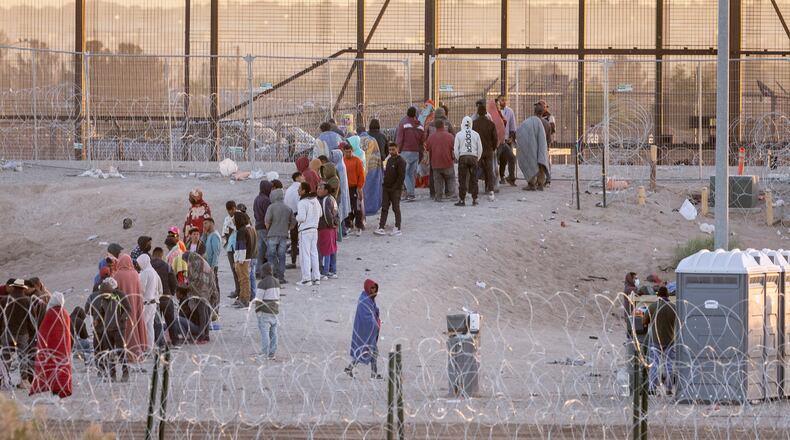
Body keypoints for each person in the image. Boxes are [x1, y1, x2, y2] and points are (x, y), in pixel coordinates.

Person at [86, 277, 131, 381]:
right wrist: (97, 320)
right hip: (108, 329)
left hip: (119, 329)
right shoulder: (103, 299)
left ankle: (125, 373)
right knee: (109, 353)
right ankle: (112, 374)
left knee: (120, 352)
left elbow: (128, 309)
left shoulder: (120, 295)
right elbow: (102, 311)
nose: (103, 297)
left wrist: (122, 319)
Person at [29, 291, 72, 398]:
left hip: (51, 349)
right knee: (61, 370)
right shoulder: (65, 313)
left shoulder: (50, 314)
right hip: (63, 349)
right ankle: (59, 392)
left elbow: (43, 332)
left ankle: (54, 393)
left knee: (51, 370)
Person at [1, 279, 38, 388]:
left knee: (6, 357)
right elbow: (32, 320)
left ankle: (4, 380)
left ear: (13, 287)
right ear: (23, 288)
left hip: (7, 333)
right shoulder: (27, 301)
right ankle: (23, 380)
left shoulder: (5, 300)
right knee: (23, 356)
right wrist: (32, 334)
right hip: (22, 333)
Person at [344, 279, 382, 379]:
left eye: (375, 288)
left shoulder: (369, 299)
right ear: (367, 288)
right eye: (372, 288)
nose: (374, 290)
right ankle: (372, 374)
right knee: (368, 351)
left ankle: (352, 369)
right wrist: (375, 324)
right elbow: (367, 317)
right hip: (365, 331)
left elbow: (373, 311)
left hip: (370, 331)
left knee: (370, 351)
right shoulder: (364, 300)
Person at [643, 286, 677, 395]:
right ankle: (669, 389)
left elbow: (644, 321)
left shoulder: (653, 306)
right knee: (669, 365)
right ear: (668, 295)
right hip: (670, 339)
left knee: (654, 365)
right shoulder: (673, 307)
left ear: (658, 295)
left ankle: (652, 388)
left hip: (655, 341)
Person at [115, 254, 147, 363]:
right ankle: (137, 352)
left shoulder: (117, 275)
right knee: (136, 327)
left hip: (123, 307)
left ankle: (127, 354)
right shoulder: (135, 274)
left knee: (126, 330)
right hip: (135, 304)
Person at [516, 102, 550, 191]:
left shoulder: (527, 122)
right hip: (542, 147)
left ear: (534, 111)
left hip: (531, 148)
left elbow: (520, 132)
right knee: (541, 163)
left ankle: (531, 184)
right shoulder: (546, 123)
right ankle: (541, 184)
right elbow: (548, 139)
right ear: (543, 112)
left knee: (531, 162)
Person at [183, 252, 217, 342]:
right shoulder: (200, 260)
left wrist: (187, 284)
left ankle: (202, 334)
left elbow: (192, 278)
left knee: (202, 311)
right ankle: (206, 334)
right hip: (207, 287)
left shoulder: (193, 262)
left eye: (186, 261)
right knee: (206, 310)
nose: (187, 263)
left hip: (202, 289)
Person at [265, 188, 296, 284]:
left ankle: (272, 275)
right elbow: (293, 222)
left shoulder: (271, 207)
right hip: (283, 234)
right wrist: (287, 228)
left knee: (271, 255)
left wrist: (269, 230)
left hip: (272, 234)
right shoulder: (288, 208)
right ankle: (281, 276)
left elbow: (267, 221)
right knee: (282, 256)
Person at [374, 143, 406, 236]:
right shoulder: (389, 160)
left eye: (393, 149)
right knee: (384, 208)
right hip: (386, 188)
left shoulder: (401, 161)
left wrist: (395, 188)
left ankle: (397, 227)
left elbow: (401, 177)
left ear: (397, 149)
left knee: (396, 208)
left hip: (395, 189)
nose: (391, 151)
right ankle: (381, 227)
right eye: (390, 150)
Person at [296, 182, 322, 286]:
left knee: (304, 255)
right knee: (314, 254)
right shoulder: (315, 200)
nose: (298, 190)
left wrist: (296, 217)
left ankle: (306, 279)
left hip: (305, 231)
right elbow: (320, 214)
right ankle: (316, 277)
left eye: (299, 188)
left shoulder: (302, 203)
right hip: (314, 229)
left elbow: (301, 218)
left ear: (304, 191)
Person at [395, 107, 424, 202]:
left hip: (405, 152)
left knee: (404, 173)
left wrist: (397, 150)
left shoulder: (403, 123)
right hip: (416, 152)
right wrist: (421, 153)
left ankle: (410, 193)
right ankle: (411, 194)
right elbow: (422, 141)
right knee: (411, 174)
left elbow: (400, 138)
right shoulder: (420, 126)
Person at [454, 116, 483, 206]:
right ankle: (475, 199)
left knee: (462, 179)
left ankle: (462, 200)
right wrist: (477, 158)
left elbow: (455, 149)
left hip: (463, 157)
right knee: (474, 179)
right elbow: (480, 149)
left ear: (462, 123)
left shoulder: (459, 134)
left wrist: (459, 158)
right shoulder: (476, 134)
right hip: (473, 157)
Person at [151, 247, 178, 345]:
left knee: (156, 324)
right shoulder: (167, 266)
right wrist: (171, 292)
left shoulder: (149, 267)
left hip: (154, 299)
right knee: (171, 321)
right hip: (166, 297)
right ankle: (174, 341)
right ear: (162, 255)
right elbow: (174, 282)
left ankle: (159, 343)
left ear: (153, 255)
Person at [425, 119, 456, 202]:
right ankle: (452, 194)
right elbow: (454, 147)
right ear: (443, 126)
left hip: (435, 163)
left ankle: (438, 196)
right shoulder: (450, 136)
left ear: (435, 127)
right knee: (450, 178)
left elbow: (427, 148)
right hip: (448, 162)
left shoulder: (431, 137)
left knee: (437, 180)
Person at [254, 263, 281, 360]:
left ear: (264, 272)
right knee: (274, 333)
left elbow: (258, 299)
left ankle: (264, 353)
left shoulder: (262, 283)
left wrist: (257, 311)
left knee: (264, 333)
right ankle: (272, 353)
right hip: (274, 311)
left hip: (265, 311)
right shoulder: (277, 282)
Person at [137, 254, 162, 354]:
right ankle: (149, 348)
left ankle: (142, 348)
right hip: (153, 303)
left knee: (142, 327)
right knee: (149, 327)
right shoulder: (154, 272)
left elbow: (141, 289)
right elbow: (160, 288)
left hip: (146, 304)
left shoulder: (145, 273)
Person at [472, 104, 498, 202]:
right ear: (486, 113)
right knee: (489, 170)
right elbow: (495, 138)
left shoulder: (474, 124)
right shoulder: (491, 124)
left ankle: (475, 190)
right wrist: (493, 148)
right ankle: (490, 190)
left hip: (477, 151)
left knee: (475, 170)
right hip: (488, 151)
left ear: (478, 113)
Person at [233, 212, 257, 307]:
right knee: (245, 279)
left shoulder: (242, 231)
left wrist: (239, 261)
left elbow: (242, 248)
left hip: (243, 259)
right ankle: (243, 298)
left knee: (244, 280)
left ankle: (245, 299)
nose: (234, 221)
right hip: (250, 257)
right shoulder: (251, 229)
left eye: (235, 219)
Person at [342, 142, 366, 236]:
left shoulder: (357, 161)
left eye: (350, 151)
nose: (348, 153)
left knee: (357, 208)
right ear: (343, 152)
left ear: (352, 151)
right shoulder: (342, 161)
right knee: (347, 208)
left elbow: (361, 175)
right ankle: (348, 226)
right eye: (346, 152)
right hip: (345, 189)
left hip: (355, 188)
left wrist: (359, 187)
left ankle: (359, 226)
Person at [317, 183, 339, 279]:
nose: (318, 190)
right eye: (318, 188)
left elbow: (327, 215)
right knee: (332, 249)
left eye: (320, 188)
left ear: (326, 191)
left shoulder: (325, 200)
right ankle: (332, 270)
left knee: (325, 250)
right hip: (332, 228)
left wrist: (330, 224)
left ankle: (325, 271)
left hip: (325, 228)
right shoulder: (332, 198)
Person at [360, 130, 384, 217]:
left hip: (362, 167)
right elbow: (378, 154)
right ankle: (373, 207)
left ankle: (364, 208)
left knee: (365, 189)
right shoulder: (372, 140)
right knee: (374, 188)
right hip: (374, 167)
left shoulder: (357, 139)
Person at [496, 95, 518, 186]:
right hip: (496, 142)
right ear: (498, 101)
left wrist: (511, 137)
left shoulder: (509, 111)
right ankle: (498, 177)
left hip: (506, 141)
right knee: (496, 159)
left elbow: (513, 126)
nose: (503, 102)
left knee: (509, 158)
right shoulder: (494, 112)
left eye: (505, 100)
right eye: (501, 100)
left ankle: (511, 178)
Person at [254, 180, 274, 279]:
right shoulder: (266, 200)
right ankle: (269, 272)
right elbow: (268, 215)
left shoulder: (257, 198)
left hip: (258, 226)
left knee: (261, 251)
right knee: (270, 250)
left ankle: (258, 271)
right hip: (265, 227)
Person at [284, 173, 304, 271]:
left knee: (293, 240)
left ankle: (293, 261)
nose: (303, 177)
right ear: (297, 178)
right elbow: (299, 204)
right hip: (298, 215)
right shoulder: (298, 190)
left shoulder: (288, 190)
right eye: (302, 176)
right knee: (302, 240)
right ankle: (303, 262)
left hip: (290, 215)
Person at [222, 201, 241, 299]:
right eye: (228, 211)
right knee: (234, 270)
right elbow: (224, 232)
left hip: (240, 247)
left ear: (235, 208)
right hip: (230, 248)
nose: (230, 212)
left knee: (241, 269)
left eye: (232, 210)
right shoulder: (226, 219)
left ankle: (243, 291)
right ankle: (237, 290)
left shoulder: (241, 216)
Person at [202, 218, 222, 302]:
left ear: (212, 223)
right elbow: (203, 246)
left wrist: (212, 268)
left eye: (206, 223)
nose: (204, 226)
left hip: (212, 266)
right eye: (203, 224)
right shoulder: (209, 235)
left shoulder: (215, 236)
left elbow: (215, 254)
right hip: (208, 266)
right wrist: (204, 235)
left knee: (214, 287)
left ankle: (216, 306)